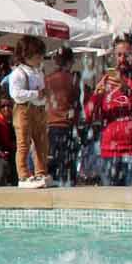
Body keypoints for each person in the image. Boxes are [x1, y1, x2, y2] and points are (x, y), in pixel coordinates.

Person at [85, 34, 132, 185]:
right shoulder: (107, 81)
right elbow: (89, 116)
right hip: (109, 153)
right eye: (119, 55)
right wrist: (96, 95)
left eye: (126, 55)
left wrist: (127, 90)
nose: (122, 60)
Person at [7, 38, 49, 188]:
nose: (40, 59)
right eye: (38, 56)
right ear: (27, 55)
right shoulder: (18, 73)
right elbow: (15, 94)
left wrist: (43, 97)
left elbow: (41, 91)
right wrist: (35, 94)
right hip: (23, 110)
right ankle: (23, 175)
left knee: (41, 142)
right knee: (23, 143)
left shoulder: (38, 72)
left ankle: (41, 172)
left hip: (38, 109)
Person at [43, 47, 81, 186]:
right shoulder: (73, 79)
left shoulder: (48, 79)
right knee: (68, 168)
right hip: (66, 125)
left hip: (50, 126)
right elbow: (77, 102)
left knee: (51, 168)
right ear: (70, 61)